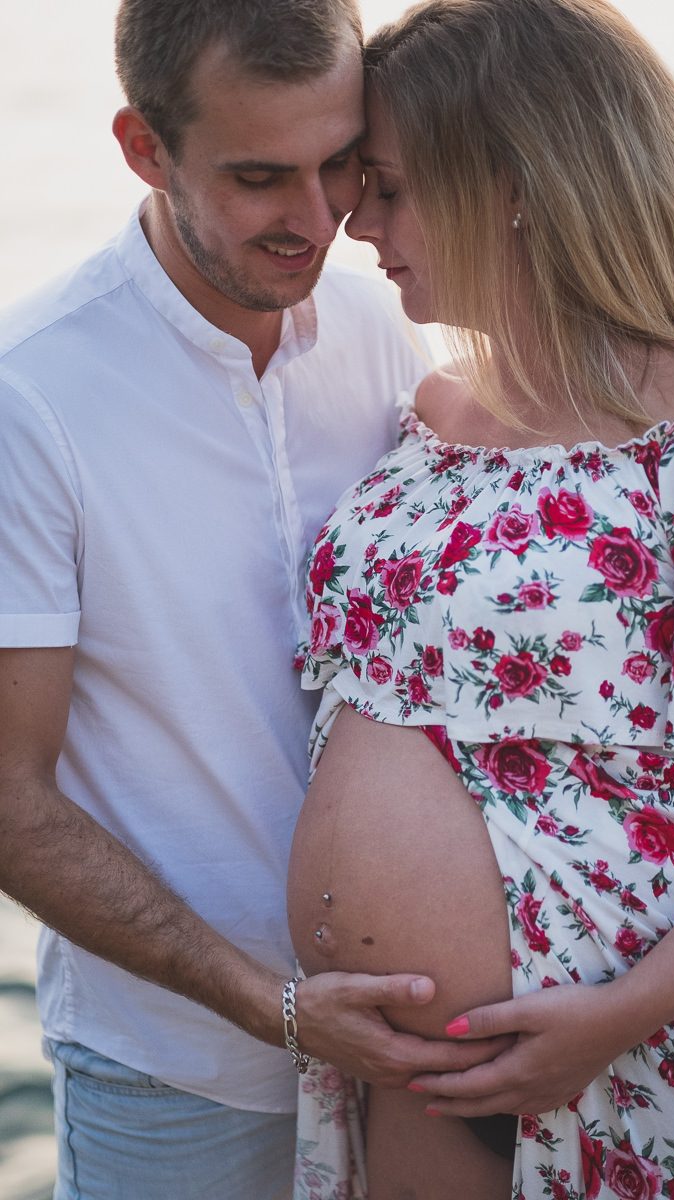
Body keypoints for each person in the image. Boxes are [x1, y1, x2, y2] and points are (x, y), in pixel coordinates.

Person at [289, 0, 674, 1196]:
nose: (354, 223)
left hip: (646, 1062)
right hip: (412, 1075)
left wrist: (617, 1013)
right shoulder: (426, 417)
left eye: (390, 187)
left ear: (513, 183)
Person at [0, 2, 503, 1197]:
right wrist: (273, 1007)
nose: (319, 217)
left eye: (341, 165)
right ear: (144, 149)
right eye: (260, 176)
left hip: (426, 1072)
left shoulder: (387, 320)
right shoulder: (32, 399)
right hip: (176, 1082)